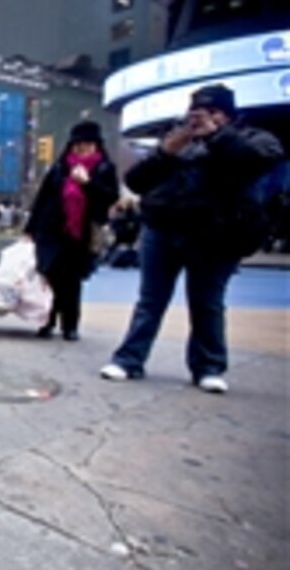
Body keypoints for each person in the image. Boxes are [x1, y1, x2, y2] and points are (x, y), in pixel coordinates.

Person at [99, 84, 284, 393]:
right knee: (150, 301)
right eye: (195, 114)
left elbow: (258, 160)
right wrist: (165, 154)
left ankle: (209, 367)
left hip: (216, 235)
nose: (200, 120)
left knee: (207, 303)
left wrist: (216, 136)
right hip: (163, 228)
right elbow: (137, 181)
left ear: (227, 115)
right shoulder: (177, 140)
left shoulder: (251, 138)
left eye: (211, 113)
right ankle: (129, 359)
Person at [25, 120, 120, 341]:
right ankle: (46, 320)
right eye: (78, 144)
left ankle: (70, 325)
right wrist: (30, 228)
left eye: (87, 144)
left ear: (96, 145)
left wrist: (87, 183)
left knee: (72, 281)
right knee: (50, 277)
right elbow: (43, 198)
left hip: (82, 233)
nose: (82, 148)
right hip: (52, 230)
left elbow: (110, 197)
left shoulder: (104, 168)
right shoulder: (60, 167)